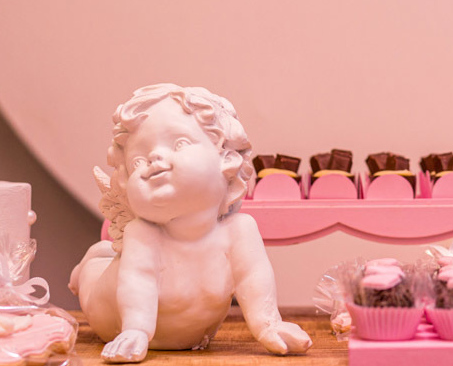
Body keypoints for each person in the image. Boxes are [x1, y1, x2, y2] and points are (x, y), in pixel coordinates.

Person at [69, 83, 311, 362]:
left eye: (179, 143)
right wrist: (136, 330)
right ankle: (85, 269)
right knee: (93, 271)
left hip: (194, 339)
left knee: (106, 252)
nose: (154, 159)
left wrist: (268, 325)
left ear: (226, 158)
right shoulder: (144, 233)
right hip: (109, 311)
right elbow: (139, 282)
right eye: (137, 161)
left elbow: (253, 278)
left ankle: (98, 256)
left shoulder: (239, 231)